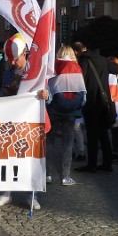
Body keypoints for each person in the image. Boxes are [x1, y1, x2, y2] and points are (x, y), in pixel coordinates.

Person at [0, 33, 49, 209]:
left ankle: (32, 195)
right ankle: (6, 192)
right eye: (10, 60)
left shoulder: (37, 71)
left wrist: (46, 95)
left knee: (32, 161)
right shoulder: (10, 71)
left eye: (15, 59)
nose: (12, 63)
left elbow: (49, 93)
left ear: (24, 53)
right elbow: (3, 93)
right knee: (8, 159)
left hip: (33, 123)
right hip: (12, 122)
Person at [73, 40, 118, 173]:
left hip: (92, 103)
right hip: (104, 103)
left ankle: (92, 165)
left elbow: (80, 80)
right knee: (103, 134)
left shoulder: (84, 61)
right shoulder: (103, 60)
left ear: (77, 51)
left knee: (92, 136)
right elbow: (116, 69)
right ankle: (107, 163)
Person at [46, 45, 86, 186]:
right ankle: (65, 177)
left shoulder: (53, 66)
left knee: (49, 142)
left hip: (54, 109)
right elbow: (82, 91)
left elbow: (48, 87)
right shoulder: (76, 67)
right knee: (67, 144)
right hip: (71, 112)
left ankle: (47, 175)